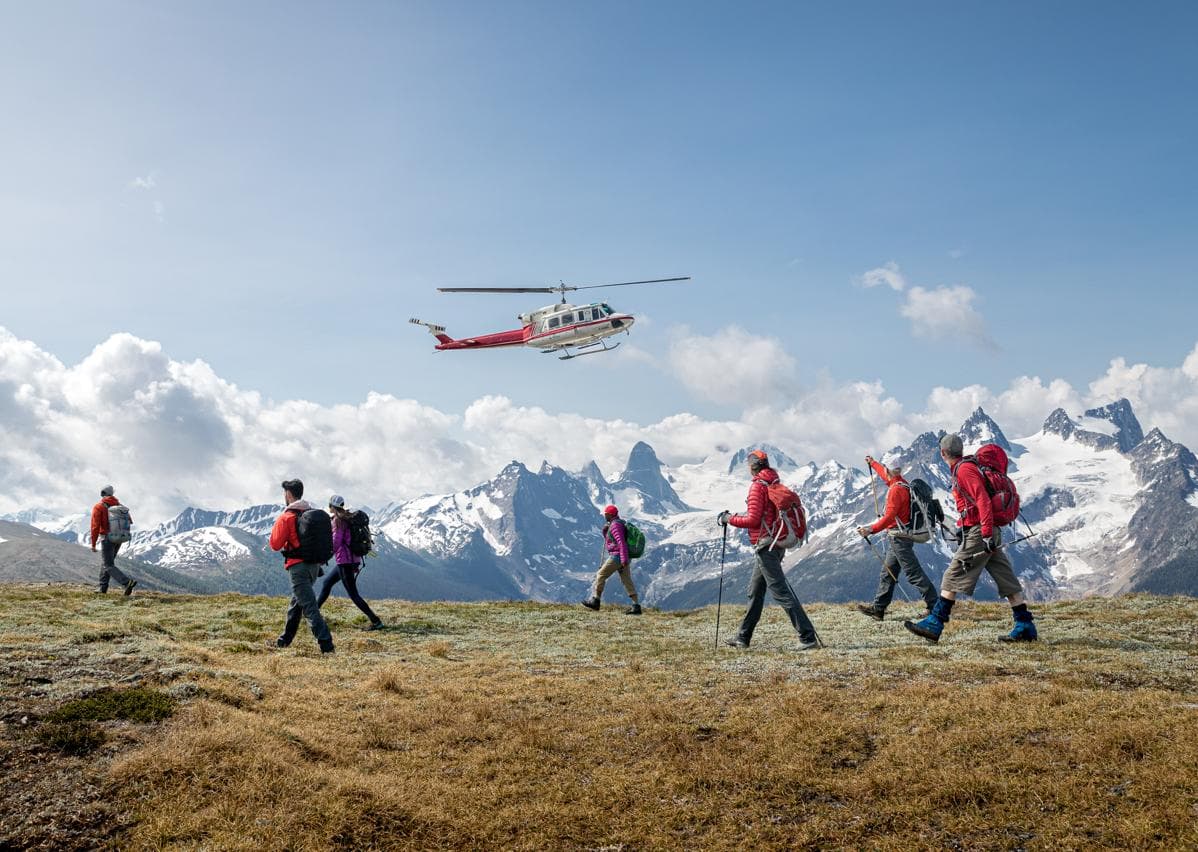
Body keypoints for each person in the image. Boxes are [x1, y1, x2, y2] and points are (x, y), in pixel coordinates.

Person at [905, 434, 1038, 643]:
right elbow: (973, 505)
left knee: (952, 574)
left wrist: (984, 534)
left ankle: (935, 623)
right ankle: (1025, 626)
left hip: (982, 532)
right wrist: (964, 528)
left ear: (942, 453)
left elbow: (982, 500)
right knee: (1005, 578)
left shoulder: (964, 470)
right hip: (984, 529)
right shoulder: (967, 467)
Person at [718, 450, 820, 651]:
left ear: (752, 466)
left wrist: (729, 519)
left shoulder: (758, 486)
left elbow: (754, 520)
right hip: (775, 542)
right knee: (755, 591)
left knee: (780, 591)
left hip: (766, 546)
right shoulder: (773, 482)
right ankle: (743, 637)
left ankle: (807, 637)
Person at [856, 455, 938, 620]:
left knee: (913, 573)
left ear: (889, 471)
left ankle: (935, 607)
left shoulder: (895, 490)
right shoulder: (902, 483)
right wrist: (873, 463)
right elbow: (884, 474)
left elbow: (889, 518)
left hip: (899, 538)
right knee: (888, 572)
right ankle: (878, 609)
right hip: (900, 536)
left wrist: (870, 530)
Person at [269, 479, 335, 653]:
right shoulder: (309, 513)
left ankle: (327, 645)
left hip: (298, 568)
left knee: (309, 607)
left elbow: (275, 544)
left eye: (285, 493)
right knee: (296, 603)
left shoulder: (287, 516)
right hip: (314, 567)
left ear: (289, 494)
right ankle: (284, 641)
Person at [316, 495, 383, 630]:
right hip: (353, 560)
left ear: (332, 506)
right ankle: (313, 613)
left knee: (353, 594)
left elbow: (336, 542)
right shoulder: (347, 517)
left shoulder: (338, 520)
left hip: (345, 561)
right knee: (327, 582)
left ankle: (376, 621)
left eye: (329, 505)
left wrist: (324, 558)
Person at [581, 505, 642, 615]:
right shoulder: (618, 524)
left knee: (600, 575)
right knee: (627, 580)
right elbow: (611, 541)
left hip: (617, 557)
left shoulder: (615, 526)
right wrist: (605, 531)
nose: (604, 515)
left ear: (609, 514)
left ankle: (596, 601)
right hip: (623, 557)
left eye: (606, 514)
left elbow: (621, 543)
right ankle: (636, 606)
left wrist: (623, 560)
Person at [89, 485, 137, 595]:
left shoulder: (99, 507)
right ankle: (102, 588)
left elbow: (95, 526)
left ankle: (127, 582)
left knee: (108, 565)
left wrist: (93, 544)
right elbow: (130, 521)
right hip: (119, 538)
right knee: (107, 563)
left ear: (102, 493)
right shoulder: (120, 506)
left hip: (107, 538)